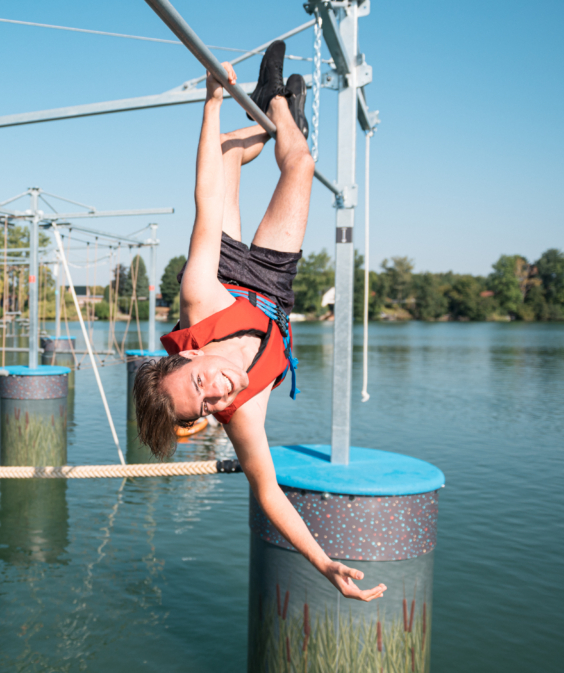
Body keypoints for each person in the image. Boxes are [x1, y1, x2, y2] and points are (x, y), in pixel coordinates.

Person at [133, 43, 385, 603]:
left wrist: (211, 101)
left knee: (222, 161)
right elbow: (268, 492)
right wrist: (325, 564)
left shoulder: (197, 298)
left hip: (222, 275)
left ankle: (263, 111)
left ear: (193, 355)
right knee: (300, 163)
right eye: (204, 408)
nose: (216, 395)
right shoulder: (240, 413)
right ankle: (277, 104)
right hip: (270, 288)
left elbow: (204, 202)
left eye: (201, 385)